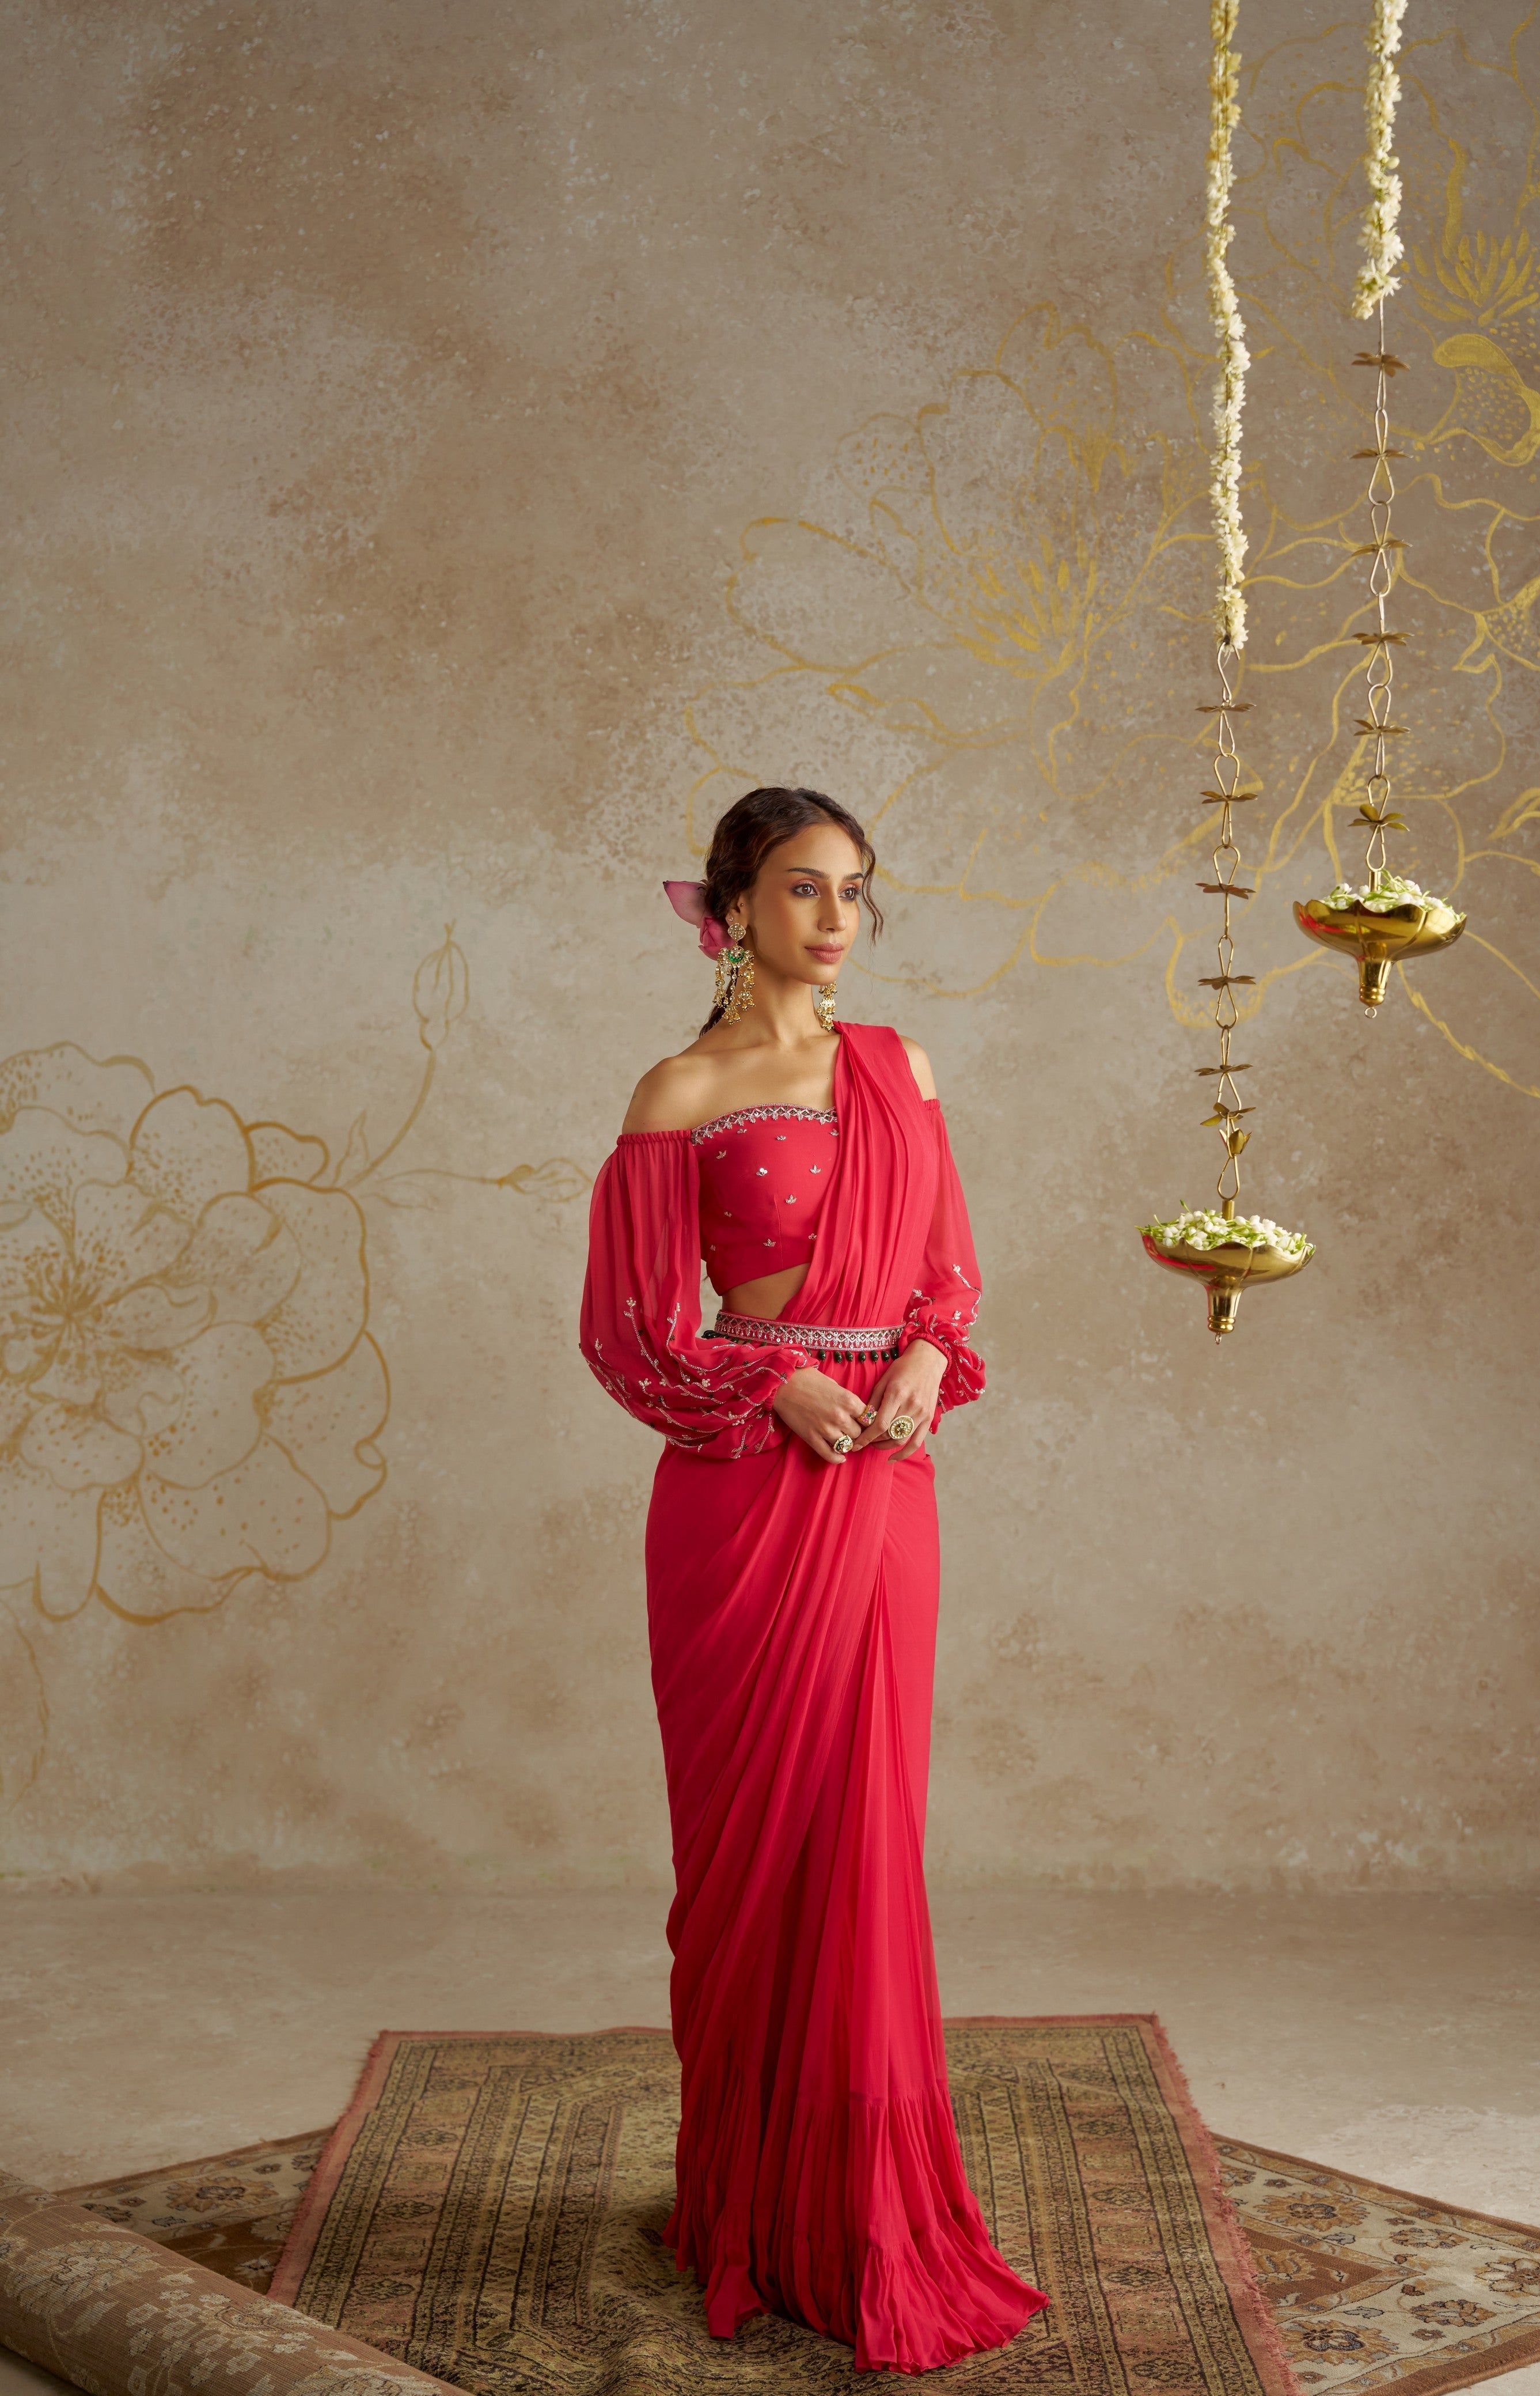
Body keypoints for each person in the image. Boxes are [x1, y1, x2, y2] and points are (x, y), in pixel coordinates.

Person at [579, 786, 1046, 2373]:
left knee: (865, 1839)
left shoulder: (900, 1068)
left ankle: (856, 2213)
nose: (837, 916)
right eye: (802, 888)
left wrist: (924, 1353)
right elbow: (636, 1329)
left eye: (855, 889)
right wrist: (774, 1381)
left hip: (885, 1492)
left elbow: (950, 1276)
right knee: (751, 1865)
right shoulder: (681, 1091)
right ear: (731, 909)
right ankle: (750, 2204)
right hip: (739, 1501)